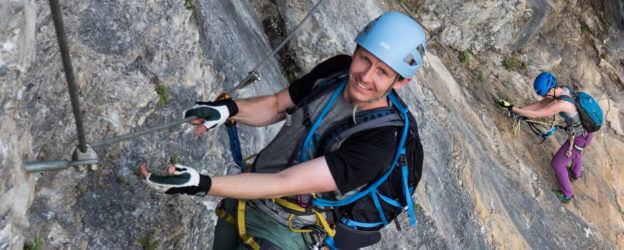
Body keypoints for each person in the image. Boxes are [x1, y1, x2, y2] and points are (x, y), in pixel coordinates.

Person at [139, 12, 426, 250]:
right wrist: (229, 110)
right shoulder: (337, 71)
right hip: (244, 200)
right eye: (365, 59)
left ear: (401, 82)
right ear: (355, 51)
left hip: (286, 230)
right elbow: (277, 105)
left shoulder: (379, 142)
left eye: (383, 72)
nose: (365, 76)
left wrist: (202, 184)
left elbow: (284, 182)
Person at [496, 72, 594, 203]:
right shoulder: (563, 90)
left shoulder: (562, 103)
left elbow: (536, 114)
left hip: (580, 138)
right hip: (586, 133)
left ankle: (567, 195)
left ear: (550, 91)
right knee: (576, 152)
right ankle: (575, 174)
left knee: (557, 163)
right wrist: (519, 110)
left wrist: (511, 108)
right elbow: (541, 104)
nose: (543, 97)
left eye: (544, 94)